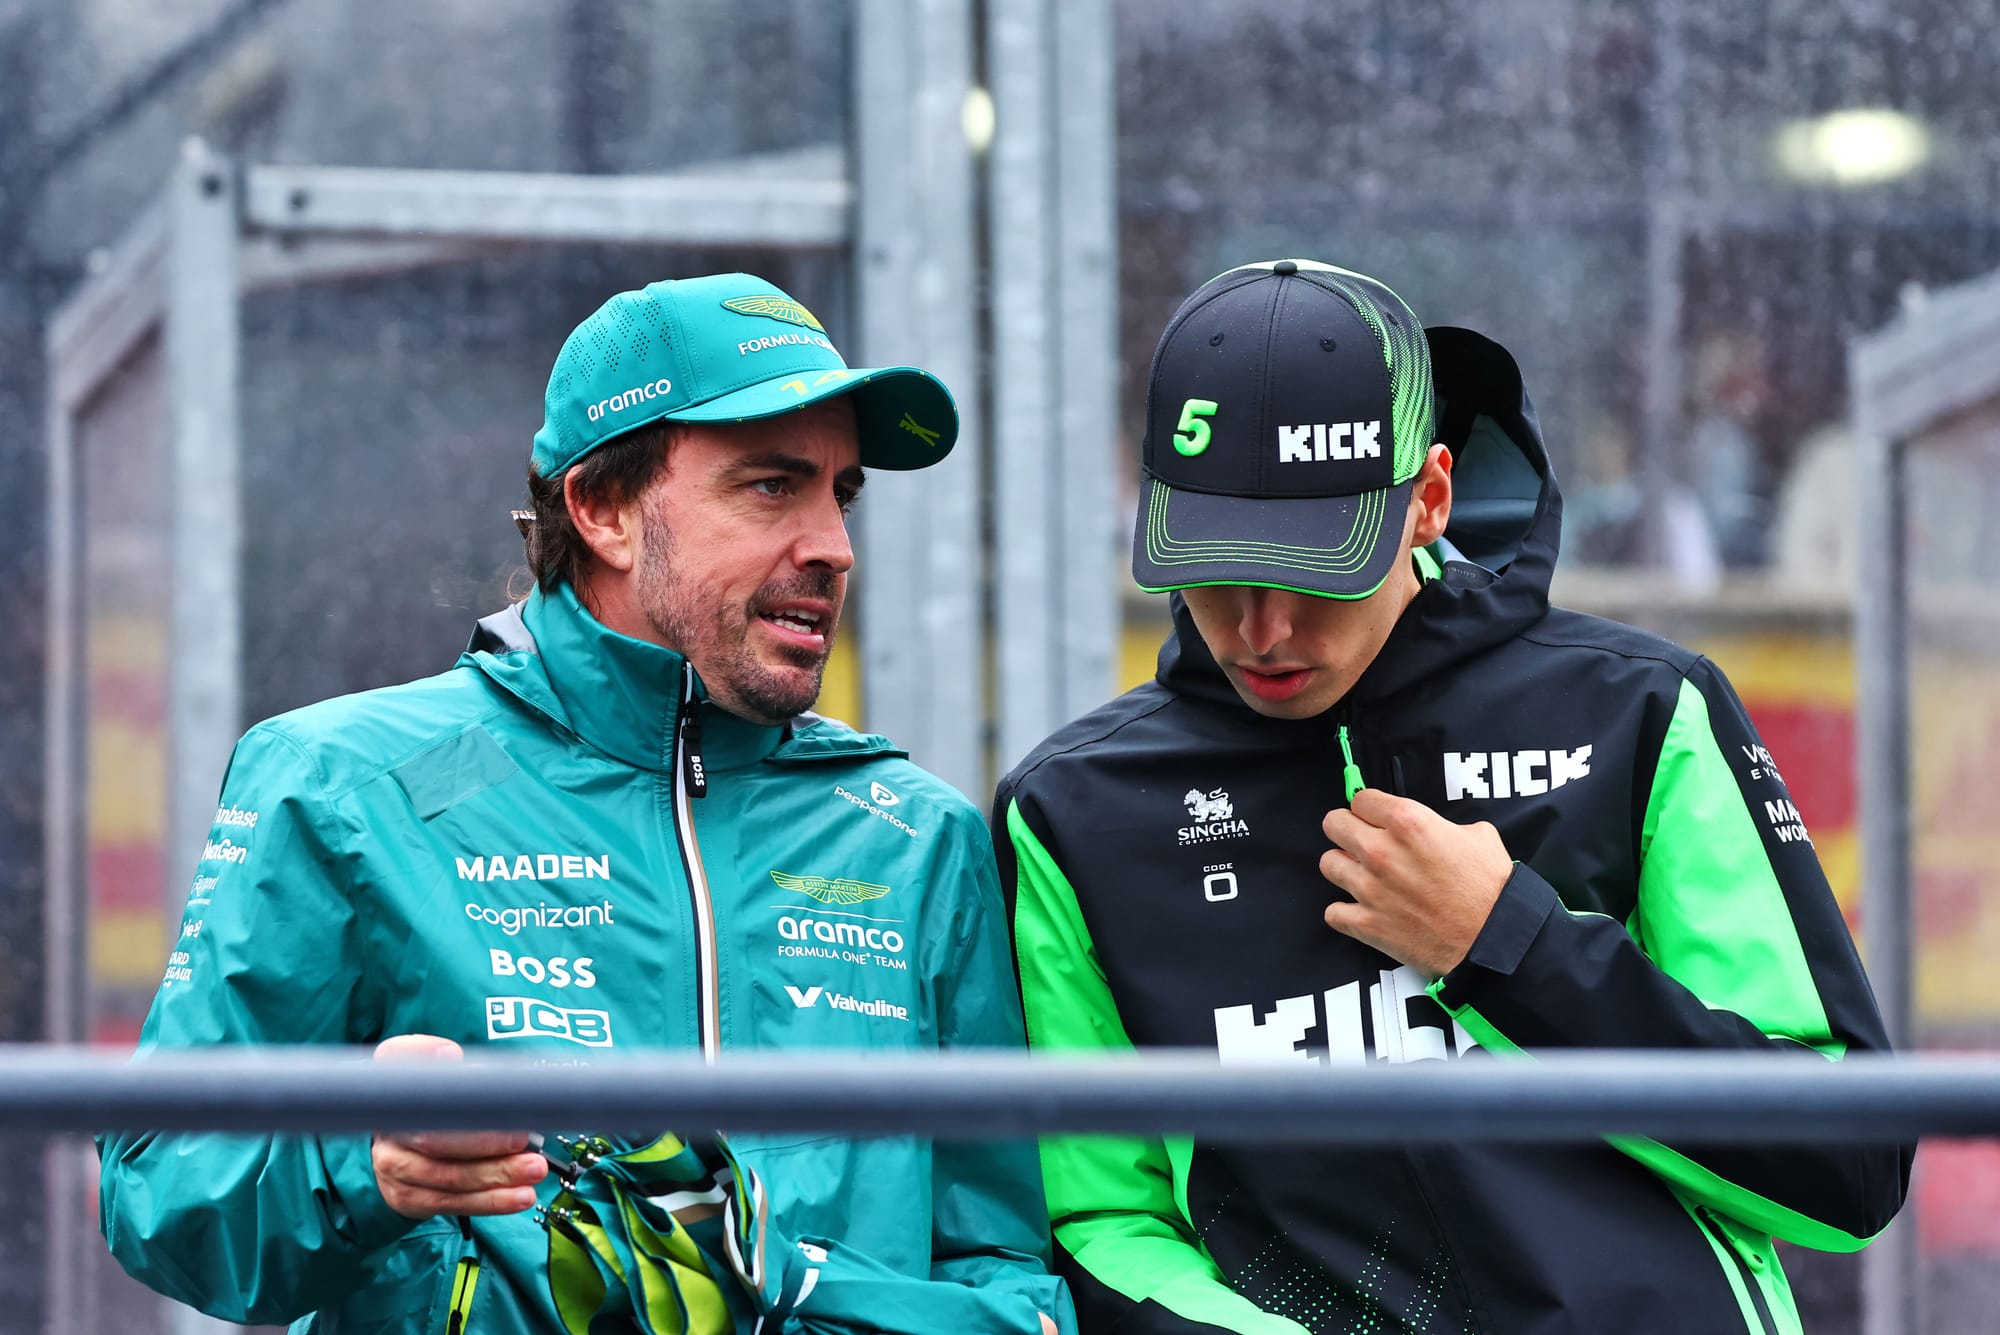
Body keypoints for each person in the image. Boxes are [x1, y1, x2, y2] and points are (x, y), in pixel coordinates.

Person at [100, 273, 1071, 1335]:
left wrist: (817, 1301)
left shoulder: (916, 836)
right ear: (603, 510)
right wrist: (362, 1168)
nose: (833, 545)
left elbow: (1005, 1269)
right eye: (770, 486)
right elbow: (155, 1184)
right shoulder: (341, 783)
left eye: (840, 496)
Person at [994, 258, 1911, 1335]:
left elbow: (1846, 1167)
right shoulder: (1075, 812)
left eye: (1312, 567)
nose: (1260, 628)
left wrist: (1509, 949)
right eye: (1211, 565)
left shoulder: (1639, 711)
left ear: (1428, 499)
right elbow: (1104, 1219)